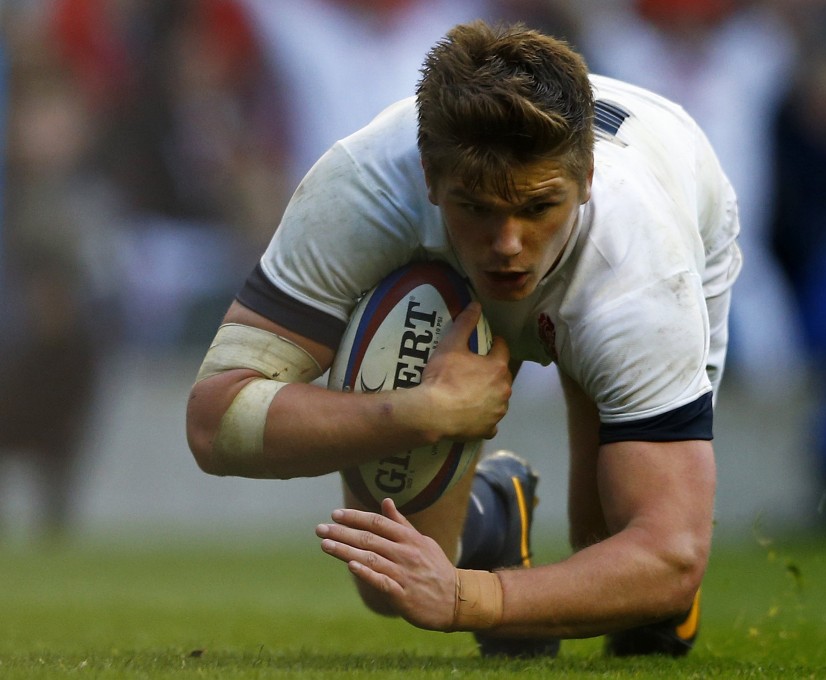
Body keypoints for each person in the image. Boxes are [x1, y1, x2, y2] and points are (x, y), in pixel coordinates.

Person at [186, 21, 741, 658]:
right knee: (390, 585)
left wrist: (466, 599)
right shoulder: (363, 189)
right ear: (428, 177)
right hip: (474, 270)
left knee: (626, 580)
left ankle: (549, 590)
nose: (507, 245)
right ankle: (495, 517)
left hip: (652, 222)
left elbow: (670, 559)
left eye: (537, 207)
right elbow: (213, 423)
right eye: (476, 207)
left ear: (586, 178)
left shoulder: (643, 276)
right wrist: (421, 413)